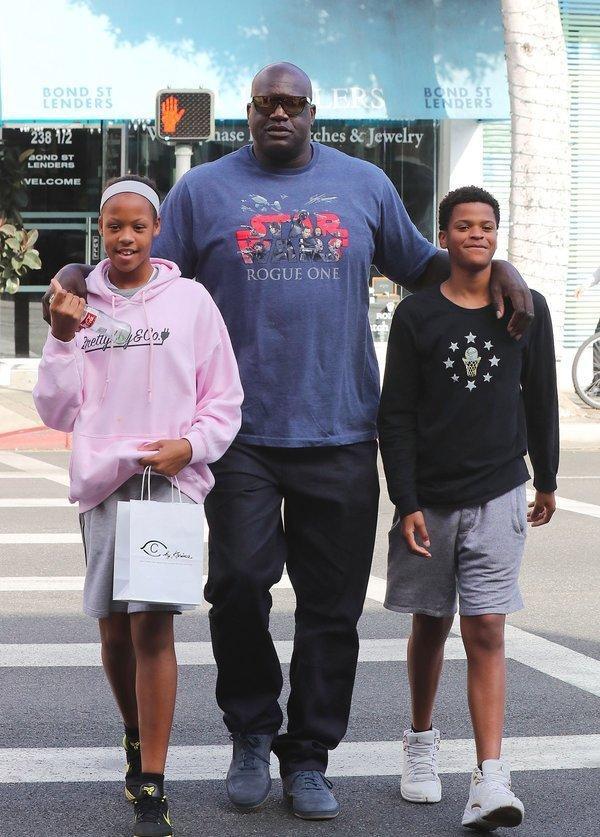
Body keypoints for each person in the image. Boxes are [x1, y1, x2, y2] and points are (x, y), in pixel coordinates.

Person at [43, 63, 534, 821]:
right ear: (248, 112)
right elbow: (136, 258)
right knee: (238, 586)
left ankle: (308, 754)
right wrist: (76, 271)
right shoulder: (203, 190)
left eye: (293, 104)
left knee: (332, 606)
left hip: (341, 429)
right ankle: (251, 733)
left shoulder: (365, 185)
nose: (280, 113)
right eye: (266, 103)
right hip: (237, 435)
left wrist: (497, 266)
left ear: (313, 111)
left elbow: (427, 267)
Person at [34, 175, 242, 837]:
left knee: (153, 628)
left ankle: (152, 778)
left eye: (139, 226)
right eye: (114, 225)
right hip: (104, 483)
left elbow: (223, 396)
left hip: (169, 482)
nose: (126, 237)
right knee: (115, 633)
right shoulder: (77, 301)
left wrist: (192, 446)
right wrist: (62, 337)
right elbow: (56, 411)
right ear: (100, 229)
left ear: (156, 231)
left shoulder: (191, 301)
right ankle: (133, 729)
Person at [378, 186, 558, 831]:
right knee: (429, 623)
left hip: (499, 490)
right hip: (430, 498)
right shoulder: (417, 315)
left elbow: (541, 397)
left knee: (486, 628)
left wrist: (547, 478)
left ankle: (490, 776)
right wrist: (406, 499)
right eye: (463, 226)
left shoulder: (525, 308)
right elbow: (396, 414)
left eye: (486, 226)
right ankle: (421, 741)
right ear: (444, 237)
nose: (475, 235)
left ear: (496, 235)